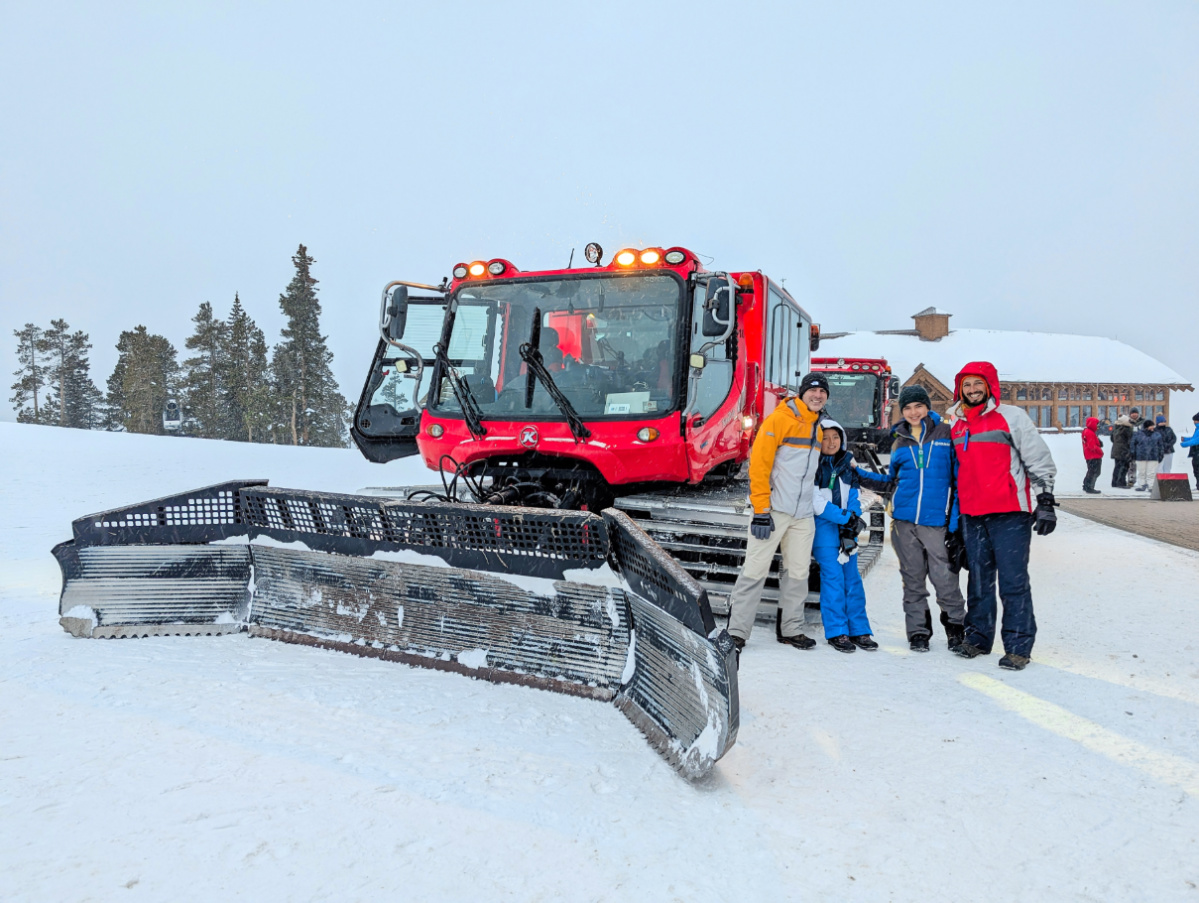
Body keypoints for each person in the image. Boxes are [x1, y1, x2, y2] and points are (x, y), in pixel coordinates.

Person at [947, 362, 1057, 672]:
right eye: (966, 385)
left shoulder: (1011, 417)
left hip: (1009, 512)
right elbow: (958, 473)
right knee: (979, 580)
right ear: (960, 389)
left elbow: (1037, 456)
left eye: (977, 384)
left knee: (1013, 581)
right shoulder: (957, 424)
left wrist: (1045, 498)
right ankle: (979, 638)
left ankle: (1018, 647)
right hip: (972, 513)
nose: (972, 390)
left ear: (990, 385)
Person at [856, 385, 966, 652]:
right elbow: (894, 481)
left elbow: (959, 481)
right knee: (913, 580)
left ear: (927, 407)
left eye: (918, 406)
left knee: (945, 579)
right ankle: (918, 632)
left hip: (936, 522)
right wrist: (858, 474)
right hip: (904, 523)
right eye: (907, 408)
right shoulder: (900, 441)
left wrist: (954, 524)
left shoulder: (946, 434)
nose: (913, 412)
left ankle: (956, 627)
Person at [727, 372, 829, 654]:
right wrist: (761, 510)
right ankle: (736, 632)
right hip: (773, 511)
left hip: (802, 515)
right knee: (754, 571)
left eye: (822, 392)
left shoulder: (818, 428)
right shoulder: (778, 420)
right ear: (802, 393)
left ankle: (791, 629)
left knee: (797, 573)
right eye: (813, 391)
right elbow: (759, 467)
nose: (817, 396)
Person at [812, 420, 876, 653]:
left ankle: (859, 628)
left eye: (835, 437)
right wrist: (844, 518)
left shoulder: (847, 465)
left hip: (847, 528)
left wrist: (853, 518)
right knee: (833, 580)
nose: (830, 442)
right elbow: (816, 502)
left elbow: (855, 496)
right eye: (825, 438)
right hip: (825, 529)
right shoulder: (814, 465)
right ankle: (837, 630)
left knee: (853, 580)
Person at [1131, 418, 1165, 492]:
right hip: (1141, 457)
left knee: (1151, 473)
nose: (1152, 427)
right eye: (1151, 426)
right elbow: (1133, 445)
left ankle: (1151, 486)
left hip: (1153, 456)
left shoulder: (1157, 435)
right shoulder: (1138, 434)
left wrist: (1160, 455)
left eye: (1153, 426)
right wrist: (1133, 454)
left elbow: (1161, 446)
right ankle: (1141, 485)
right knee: (1141, 472)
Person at [1109, 412, 1134, 489]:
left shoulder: (1116, 429)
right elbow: (1131, 441)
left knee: (1117, 467)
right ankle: (1121, 482)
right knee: (1123, 467)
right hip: (1124, 451)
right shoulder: (1126, 430)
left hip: (1116, 451)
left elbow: (1112, 439)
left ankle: (1115, 482)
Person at [1081, 416, 1104, 494]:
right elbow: (1092, 446)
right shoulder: (1090, 433)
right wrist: (1100, 451)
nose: (1098, 426)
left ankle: (1086, 485)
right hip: (1093, 455)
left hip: (1089, 455)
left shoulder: (1087, 431)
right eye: (1097, 424)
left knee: (1091, 471)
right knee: (1095, 472)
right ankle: (1089, 487)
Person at [1182, 412, 1199, 490]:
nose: (1194, 422)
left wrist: (1184, 444)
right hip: (1196, 452)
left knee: (1197, 470)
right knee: (1196, 469)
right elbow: (1194, 438)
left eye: (1196, 421)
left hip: (1197, 452)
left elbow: (1196, 440)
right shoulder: (1197, 429)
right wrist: (1185, 439)